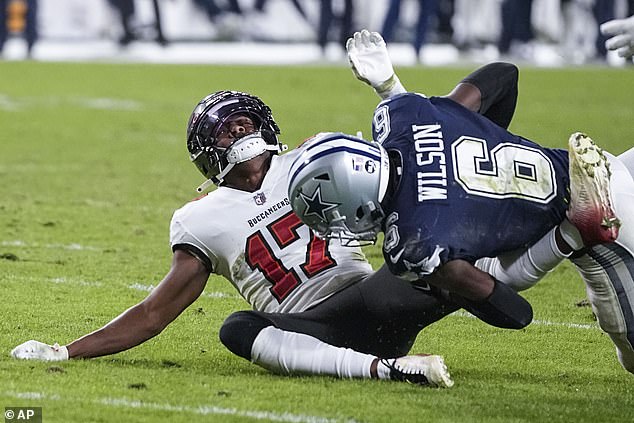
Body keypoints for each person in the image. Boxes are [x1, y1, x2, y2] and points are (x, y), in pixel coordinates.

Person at [289, 29, 634, 373]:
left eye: (334, 216)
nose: (340, 226)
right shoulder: (402, 114)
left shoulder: (412, 243)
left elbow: (515, 312)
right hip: (599, 163)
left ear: (354, 192)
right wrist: (401, 92)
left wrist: (450, 286)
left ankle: (574, 231)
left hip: (608, 219)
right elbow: (504, 75)